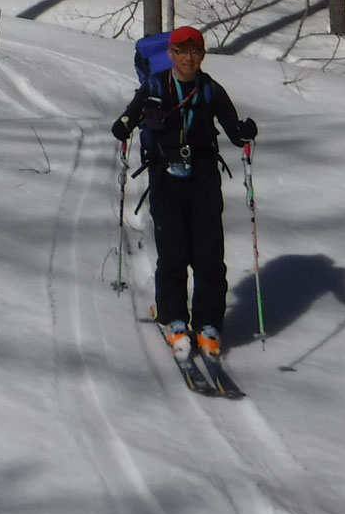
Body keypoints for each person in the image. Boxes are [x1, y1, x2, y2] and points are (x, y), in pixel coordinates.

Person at [110, 25, 256, 359]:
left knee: (208, 256)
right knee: (173, 253)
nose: (188, 58)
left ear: (202, 56)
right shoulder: (155, 87)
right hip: (166, 180)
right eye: (181, 51)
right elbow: (128, 118)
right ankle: (173, 317)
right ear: (171, 54)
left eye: (195, 52)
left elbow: (235, 131)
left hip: (204, 181)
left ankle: (208, 324)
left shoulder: (211, 90)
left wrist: (245, 132)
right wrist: (122, 125)